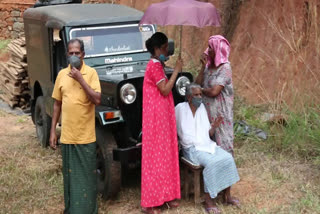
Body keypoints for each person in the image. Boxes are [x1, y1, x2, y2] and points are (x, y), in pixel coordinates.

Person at [49, 38, 101, 214]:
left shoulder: (91, 73)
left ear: (83, 55)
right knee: (70, 178)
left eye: (76, 53)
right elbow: (57, 104)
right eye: (70, 53)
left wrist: (80, 79)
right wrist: (52, 132)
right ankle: (71, 209)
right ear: (66, 55)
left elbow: (97, 99)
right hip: (67, 136)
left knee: (86, 179)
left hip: (86, 137)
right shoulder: (61, 75)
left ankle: (87, 210)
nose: (73, 56)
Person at [175, 83, 240, 214]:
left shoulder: (202, 108)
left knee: (228, 158)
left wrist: (214, 127)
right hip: (191, 149)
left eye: (200, 94)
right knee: (211, 163)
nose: (200, 97)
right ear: (188, 97)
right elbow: (173, 129)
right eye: (196, 95)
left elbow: (208, 134)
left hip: (206, 144)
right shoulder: (180, 109)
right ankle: (209, 201)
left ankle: (227, 196)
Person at [141, 32, 182, 214]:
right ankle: (151, 203)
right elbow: (165, 90)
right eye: (165, 48)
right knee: (155, 158)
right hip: (156, 119)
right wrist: (176, 72)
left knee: (164, 156)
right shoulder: (154, 65)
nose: (168, 51)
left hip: (162, 118)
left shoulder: (159, 64)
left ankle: (166, 195)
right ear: (157, 49)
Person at [195, 35, 234, 154]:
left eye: (210, 47)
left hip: (220, 115)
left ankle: (227, 170)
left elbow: (214, 92)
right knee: (208, 144)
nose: (207, 50)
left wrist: (200, 90)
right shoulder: (208, 67)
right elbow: (196, 84)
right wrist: (202, 67)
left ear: (218, 49)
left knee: (223, 144)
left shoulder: (225, 68)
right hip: (206, 113)